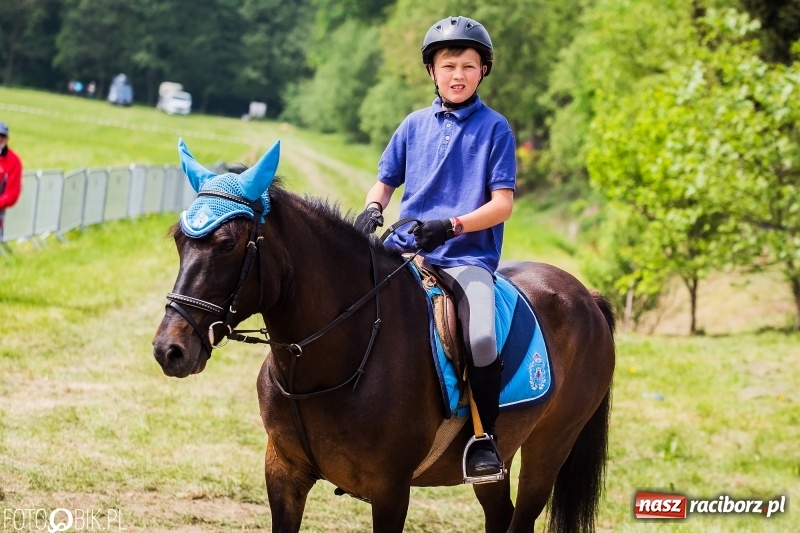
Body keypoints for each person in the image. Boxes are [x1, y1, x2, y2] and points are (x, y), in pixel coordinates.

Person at [355, 16, 516, 480]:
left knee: (481, 336)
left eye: (468, 65)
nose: (458, 75)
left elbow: (502, 205)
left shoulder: (496, 129)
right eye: (449, 65)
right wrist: (373, 207)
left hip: (466, 259)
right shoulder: (413, 125)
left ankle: (486, 440)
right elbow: (385, 181)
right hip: (406, 251)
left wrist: (453, 225)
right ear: (432, 71)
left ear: (483, 70)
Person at [0, 121, 23, 240]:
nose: (0, 139)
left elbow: (12, 193)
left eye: (2, 136)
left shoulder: (13, 161)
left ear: (7, 138)